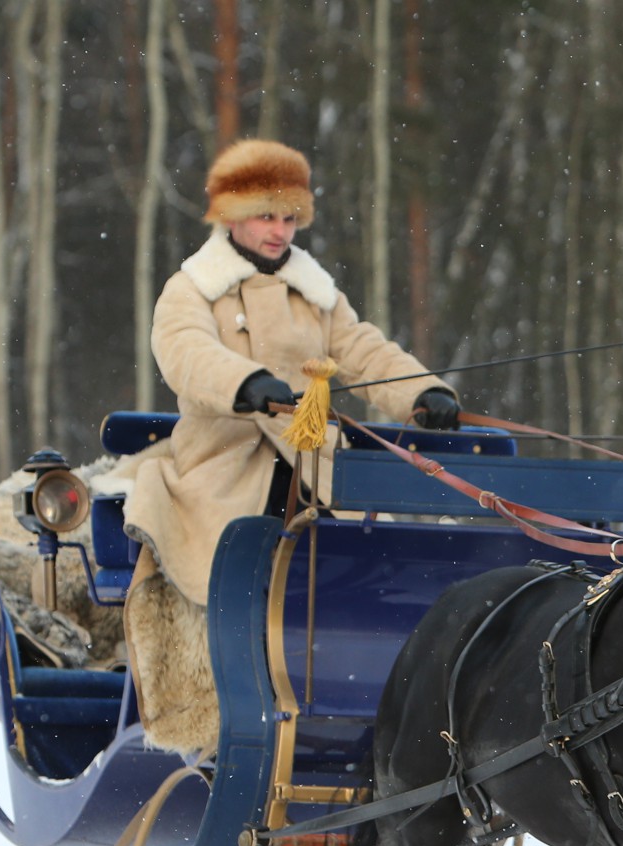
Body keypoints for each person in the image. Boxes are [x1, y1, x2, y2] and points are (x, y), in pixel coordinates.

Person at [122, 138, 460, 753]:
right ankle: (225, 708)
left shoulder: (316, 294)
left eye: (289, 217)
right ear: (229, 216)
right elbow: (184, 354)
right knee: (228, 567)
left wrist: (423, 392)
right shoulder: (192, 289)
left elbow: (363, 350)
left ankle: (354, 706)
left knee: (365, 568)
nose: (280, 231)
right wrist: (244, 382)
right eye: (265, 216)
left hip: (314, 470)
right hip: (221, 473)